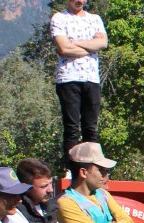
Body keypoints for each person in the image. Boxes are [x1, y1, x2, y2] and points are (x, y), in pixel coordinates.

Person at [51, 0, 107, 153]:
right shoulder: (59, 18)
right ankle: (73, 169)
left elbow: (102, 43)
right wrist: (90, 47)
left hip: (91, 79)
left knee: (91, 128)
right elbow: (63, 47)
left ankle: (91, 168)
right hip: (68, 79)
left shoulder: (95, 19)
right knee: (72, 127)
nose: (80, 1)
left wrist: (74, 43)